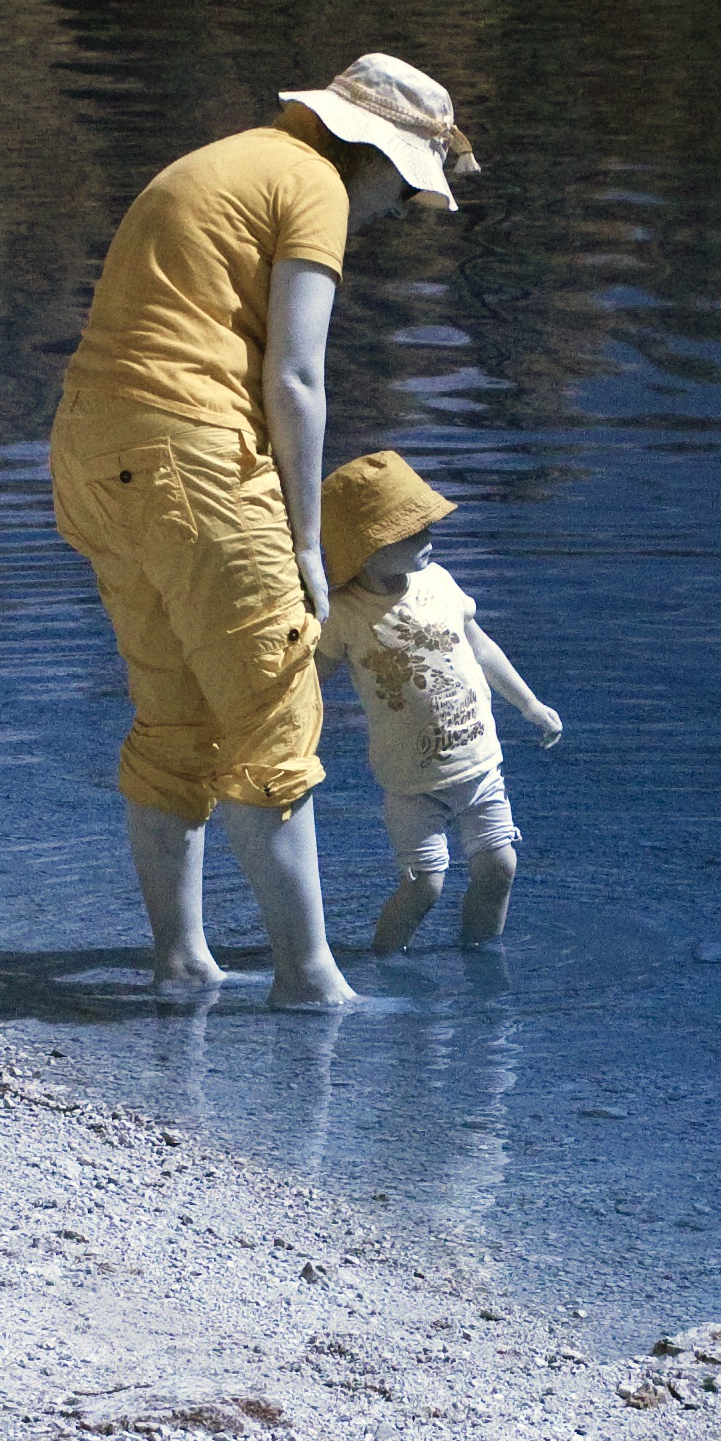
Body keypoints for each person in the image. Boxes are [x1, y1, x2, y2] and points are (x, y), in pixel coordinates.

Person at [48, 55, 479, 1009]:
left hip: (90, 452)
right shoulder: (314, 184)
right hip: (190, 460)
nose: (395, 210)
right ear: (371, 154)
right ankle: (308, 979)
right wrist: (300, 540)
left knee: (175, 720)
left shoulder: (226, 159)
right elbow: (294, 377)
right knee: (275, 709)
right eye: (405, 189)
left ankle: (182, 962)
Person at [314, 451, 562, 954]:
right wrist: (296, 742)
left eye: (427, 526)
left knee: (500, 867)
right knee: (424, 886)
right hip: (411, 783)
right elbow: (311, 682)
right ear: (365, 546)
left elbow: (480, 645)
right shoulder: (342, 614)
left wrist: (529, 705)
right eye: (411, 532)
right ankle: (381, 962)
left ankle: (482, 956)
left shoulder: (441, 582)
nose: (428, 538)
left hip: (479, 765)